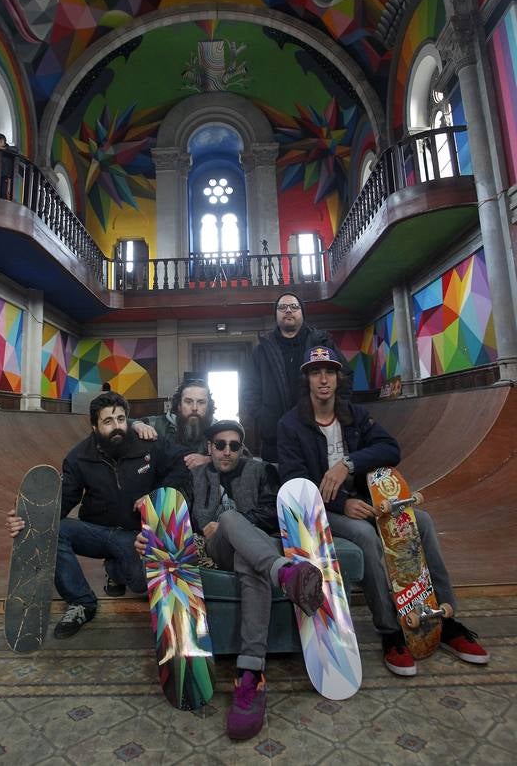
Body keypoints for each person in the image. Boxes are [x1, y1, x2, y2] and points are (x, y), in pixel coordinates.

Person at [277, 345, 489, 676]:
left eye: (329, 372)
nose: (323, 379)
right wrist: (340, 503)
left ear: (337, 378)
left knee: (424, 522)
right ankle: (391, 632)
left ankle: (444, 620)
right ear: (306, 379)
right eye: (316, 372)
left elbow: (390, 448)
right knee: (365, 537)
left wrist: (347, 464)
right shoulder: (290, 425)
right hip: (324, 511)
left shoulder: (353, 415)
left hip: (371, 502)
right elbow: (294, 482)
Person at [167, 419, 323, 740]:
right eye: (220, 445)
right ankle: (284, 572)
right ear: (209, 448)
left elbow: (270, 510)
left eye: (234, 446)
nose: (227, 452)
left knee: (246, 554)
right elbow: (175, 503)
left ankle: (250, 672)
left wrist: (240, 524)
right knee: (226, 518)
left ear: (242, 448)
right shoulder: (194, 475)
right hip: (215, 547)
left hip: (255, 549)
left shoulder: (260, 471)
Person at [6, 391, 190, 638]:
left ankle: (115, 568)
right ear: (94, 426)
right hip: (98, 533)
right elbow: (64, 500)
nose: (117, 427)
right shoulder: (78, 457)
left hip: (136, 536)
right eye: (108, 421)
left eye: (121, 419)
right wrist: (27, 518)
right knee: (54, 529)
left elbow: (180, 468)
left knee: (139, 584)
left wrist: (156, 497)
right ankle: (81, 601)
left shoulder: (149, 443)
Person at [244, 292, 352, 463]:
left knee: (321, 486)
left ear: (302, 313)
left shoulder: (322, 343)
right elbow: (249, 390)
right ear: (276, 314)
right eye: (282, 307)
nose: (288, 311)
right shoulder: (262, 350)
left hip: (319, 434)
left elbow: (344, 377)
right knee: (279, 487)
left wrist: (337, 409)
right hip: (275, 438)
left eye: (294, 307)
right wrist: (264, 417)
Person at [133, 376, 215, 470]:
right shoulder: (158, 424)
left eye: (201, 402)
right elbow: (124, 424)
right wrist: (137, 424)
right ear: (179, 405)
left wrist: (209, 459)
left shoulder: (218, 430)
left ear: (208, 406)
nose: (194, 408)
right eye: (188, 402)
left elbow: (233, 457)